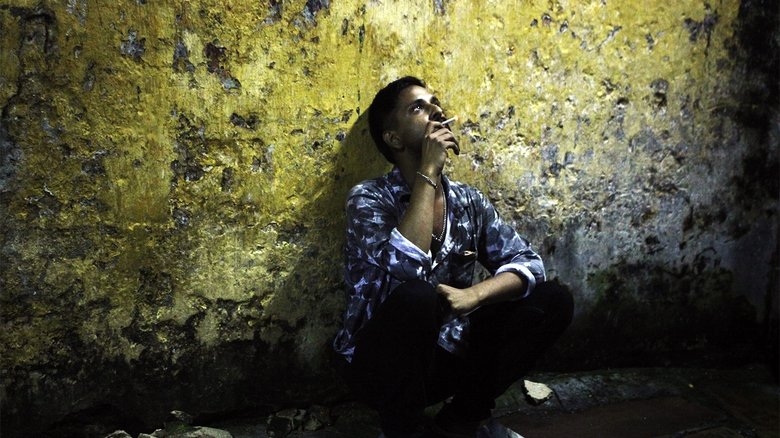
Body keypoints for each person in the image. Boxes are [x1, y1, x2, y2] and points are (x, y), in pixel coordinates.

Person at [332, 76, 574, 438]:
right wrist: (428, 171)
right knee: (418, 296)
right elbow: (407, 267)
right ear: (394, 139)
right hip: (380, 368)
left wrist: (474, 295)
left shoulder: (468, 201)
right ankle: (404, 430)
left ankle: (463, 418)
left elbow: (529, 263)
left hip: (445, 354)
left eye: (435, 103)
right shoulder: (369, 199)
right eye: (418, 107)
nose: (436, 110)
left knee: (553, 299)